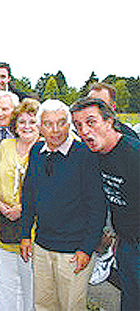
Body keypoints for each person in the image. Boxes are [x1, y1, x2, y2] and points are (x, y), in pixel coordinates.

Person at [20, 99, 106, 311]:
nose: (55, 130)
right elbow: (28, 195)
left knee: (71, 307)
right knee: (43, 305)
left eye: (61, 123)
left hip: (73, 251)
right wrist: (25, 235)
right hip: (41, 247)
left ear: (70, 125)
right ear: (39, 126)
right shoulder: (36, 152)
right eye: (48, 124)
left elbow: (97, 206)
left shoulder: (84, 155)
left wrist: (86, 248)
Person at [70, 97, 140, 311]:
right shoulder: (94, 155)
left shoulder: (133, 154)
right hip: (127, 243)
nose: (84, 130)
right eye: (78, 125)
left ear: (109, 122)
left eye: (91, 122)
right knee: (130, 300)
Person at [0, 98, 40, 311]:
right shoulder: (4, 146)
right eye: (22, 122)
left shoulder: (45, 149)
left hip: (35, 227)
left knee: (31, 283)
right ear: (14, 125)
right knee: (5, 282)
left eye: (32, 121)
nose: (27, 127)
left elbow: (51, 189)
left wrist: (24, 209)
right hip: (2, 222)